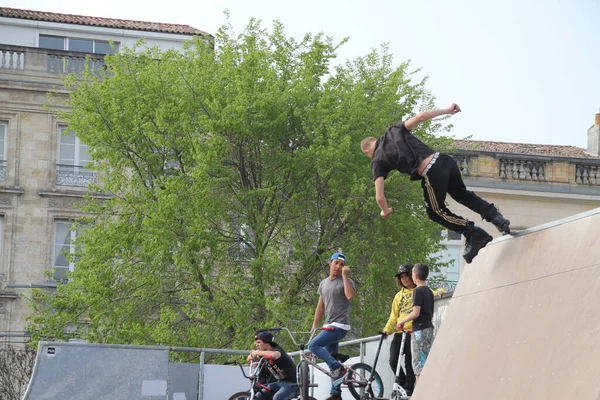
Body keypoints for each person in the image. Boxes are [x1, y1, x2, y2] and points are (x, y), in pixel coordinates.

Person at [360, 104, 511, 263]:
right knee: (463, 195)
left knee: (435, 211)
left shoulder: (377, 159)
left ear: (367, 151)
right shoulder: (393, 130)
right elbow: (420, 117)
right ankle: (496, 218)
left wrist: (385, 210)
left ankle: (472, 232)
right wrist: (447, 110)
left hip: (431, 172)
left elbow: (379, 196)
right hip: (445, 160)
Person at [309, 252, 356, 400]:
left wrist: (345, 276)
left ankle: (338, 367)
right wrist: (315, 325)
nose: (338, 266)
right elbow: (320, 307)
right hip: (328, 325)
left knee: (313, 346)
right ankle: (336, 393)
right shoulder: (323, 283)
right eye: (336, 263)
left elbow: (349, 296)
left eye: (341, 265)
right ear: (330, 263)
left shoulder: (346, 281)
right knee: (332, 359)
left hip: (340, 326)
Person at [396, 263, 435, 383]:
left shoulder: (417, 291)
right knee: (426, 361)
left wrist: (401, 321)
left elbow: (415, 313)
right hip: (429, 328)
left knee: (418, 364)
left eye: (411, 273)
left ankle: (419, 392)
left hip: (419, 331)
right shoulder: (429, 291)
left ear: (415, 276)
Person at [247, 330, 299, 400]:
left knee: (277, 398)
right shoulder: (264, 354)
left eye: (259, 342)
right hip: (280, 383)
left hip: (292, 383)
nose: (256, 345)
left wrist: (257, 352)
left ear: (267, 343)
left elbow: (275, 355)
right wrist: (253, 354)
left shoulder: (276, 350)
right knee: (259, 396)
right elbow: (250, 359)